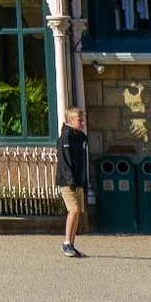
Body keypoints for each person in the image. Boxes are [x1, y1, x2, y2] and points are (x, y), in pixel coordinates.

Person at [56, 107, 91, 257]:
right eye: (79, 119)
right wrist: (70, 179)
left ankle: (72, 243)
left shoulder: (81, 137)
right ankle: (66, 243)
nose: (82, 122)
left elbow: (83, 161)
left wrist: (83, 181)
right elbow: (64, 160)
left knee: (78, 212)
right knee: (74, 209)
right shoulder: (65, 136)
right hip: (68, 180)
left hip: (78, 180)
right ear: (71, 120)